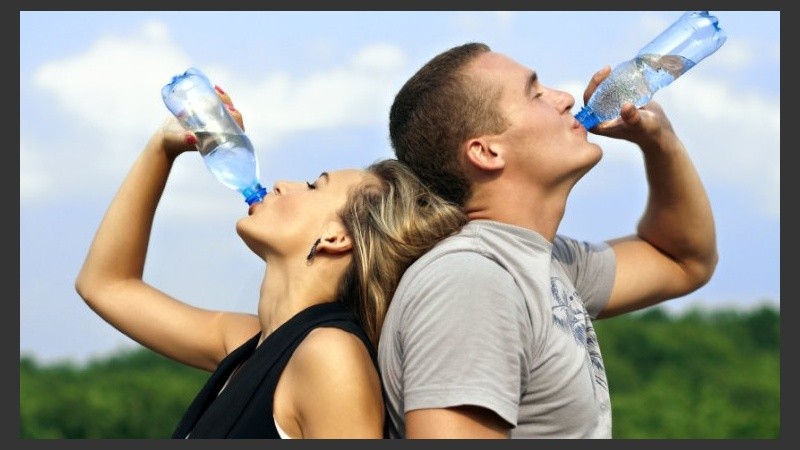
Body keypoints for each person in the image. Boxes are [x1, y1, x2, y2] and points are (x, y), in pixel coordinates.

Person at [74, 86, 466, 439]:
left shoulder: (330, 357)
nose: (283, 184)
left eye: (315, 185)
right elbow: (105, 284)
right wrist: (163, 147)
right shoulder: (248, 343)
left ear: (336, 238)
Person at [378, 42, 719, 438]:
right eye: (535, 93)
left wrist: (660, 142)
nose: (567, 98)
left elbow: (683, 260)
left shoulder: (542, 261)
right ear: (486, 152)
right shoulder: (471, 281)